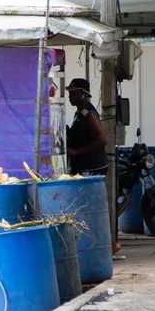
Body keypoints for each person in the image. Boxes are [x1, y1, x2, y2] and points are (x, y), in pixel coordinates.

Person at [64, 78, 117, 256]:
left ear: (83, 94)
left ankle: (109, 244)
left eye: (73, 92)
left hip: (92, 167)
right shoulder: (79, 113)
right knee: (87, 208)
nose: (69, 95)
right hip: (84, 167)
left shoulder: (88, 113)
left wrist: (78, 152)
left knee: (90, 209)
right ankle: (107, 244)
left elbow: (102, 139)